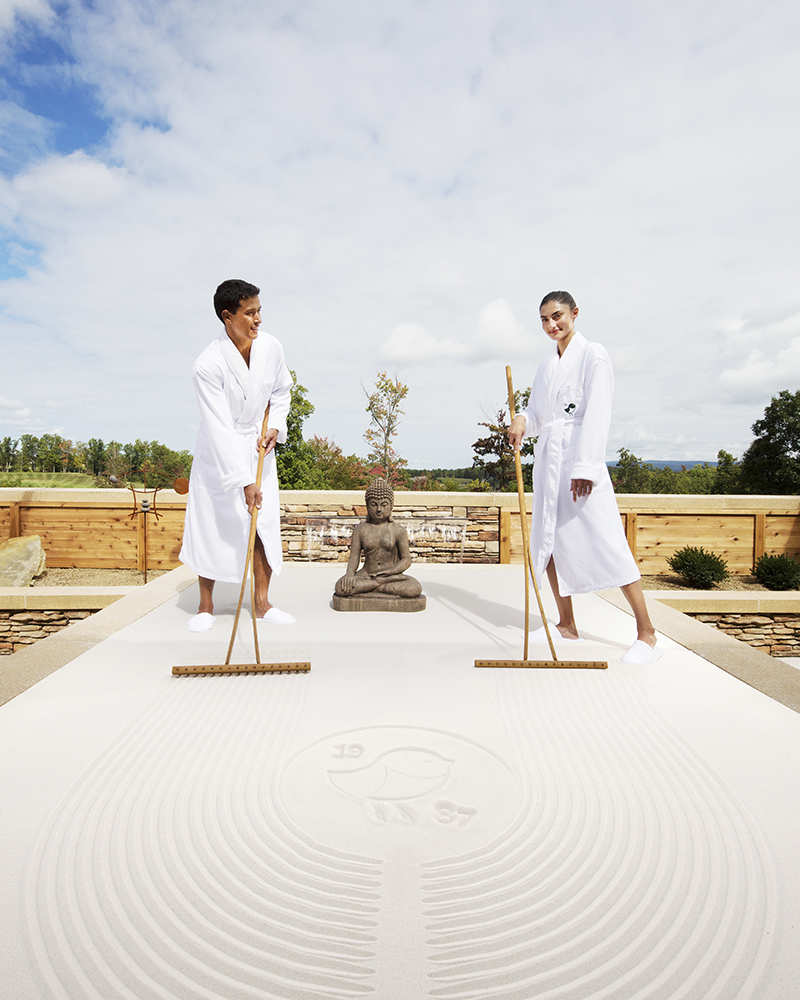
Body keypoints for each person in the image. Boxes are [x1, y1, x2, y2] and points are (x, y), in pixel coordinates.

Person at [508, 291, 662, 664]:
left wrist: (586, 467)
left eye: (557, 316)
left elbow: (599, 412)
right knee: (548, 539)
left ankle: (647, 634)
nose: (551, 325)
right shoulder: (546, 366)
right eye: (544, 320)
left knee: (608, 539)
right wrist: (522, 421)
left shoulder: (594, 355)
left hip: (579, 461)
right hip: (548, 462)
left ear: (574, 313)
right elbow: (537, 410)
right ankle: (567, 625)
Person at [180, 279, 295, 630]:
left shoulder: (271, 347)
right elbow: (218, 428)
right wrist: (244, 481)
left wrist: (275, 425)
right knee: (211, 525)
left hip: (259, 447)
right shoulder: (207, 365)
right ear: (228, 316)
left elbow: (282, 390)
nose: (258, 319)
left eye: (259, 310)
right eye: (250, 313)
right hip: (220, 454)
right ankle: (204, 605)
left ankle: (261, 603)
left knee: (263, 524)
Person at [334, 478, 423, 599]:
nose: (379, 509)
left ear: (391, 506)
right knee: (340, 586)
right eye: (374, 504)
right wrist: (349, 574)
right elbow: (354, 557)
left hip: (391, 577)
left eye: (384, 504)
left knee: (414, 587)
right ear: (367, 506)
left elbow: (406, 559)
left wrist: (391, 572)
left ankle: (371, 587)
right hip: (366, 575)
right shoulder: (360, 529)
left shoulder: (398, 530)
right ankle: (379, 586)